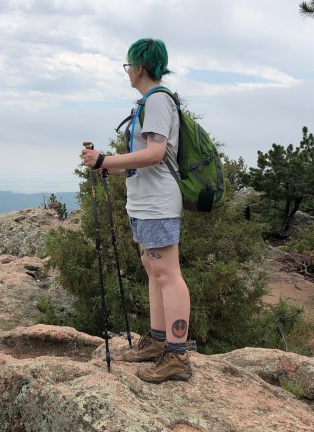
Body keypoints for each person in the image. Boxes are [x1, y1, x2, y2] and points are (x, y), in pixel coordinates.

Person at [81, 38, 191, 383]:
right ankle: (157, 342)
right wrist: (109, 166)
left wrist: (106, 159)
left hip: (158, 203)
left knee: (167, 273)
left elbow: (156, 153)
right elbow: (146, 160)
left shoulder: (157, 100)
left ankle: (177, 355)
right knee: (152, 269)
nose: (127, 72)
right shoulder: (149, 102)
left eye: (128, 65)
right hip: (145, 202)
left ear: (139, 68)